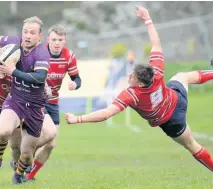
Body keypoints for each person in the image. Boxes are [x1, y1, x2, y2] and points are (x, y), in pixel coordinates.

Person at [65, 5, 213, 173]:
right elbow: (156, 43)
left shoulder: (132, 95)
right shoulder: (156, 72)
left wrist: (78, 119)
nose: (129, 77)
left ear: (140, 83)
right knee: (182, 76)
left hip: (171, 121)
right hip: (176, 98)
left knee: (192, 146)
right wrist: (147, 18)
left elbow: (106, 114)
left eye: (132, 77)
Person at [0, 16, 57, 184]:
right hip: (15, 100)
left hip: (35, 106)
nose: (27, 36)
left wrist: (12, 71)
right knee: (4, 131)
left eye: (32, 33)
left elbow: (40, 77)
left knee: (27, 153)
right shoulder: (14, 43)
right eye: (25, 32)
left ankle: (17, 177)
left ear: (39, 37)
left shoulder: (42, 53)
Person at [9, 24, 82, 181]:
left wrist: (75, 84)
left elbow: (77, 78)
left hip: (53, 103)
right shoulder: (39, 53)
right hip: (36, 101)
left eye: (60, 40)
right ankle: (24, 159)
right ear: (48, 39)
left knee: (50, 144)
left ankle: (27, 171)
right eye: (54, 39)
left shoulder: (69, 56)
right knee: (48, 135)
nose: (57, 43)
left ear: (65, 40)